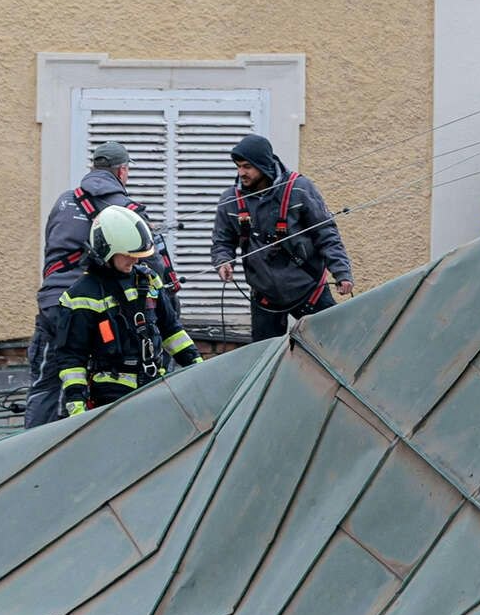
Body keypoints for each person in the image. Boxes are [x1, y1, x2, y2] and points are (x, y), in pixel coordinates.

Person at [26, 141, 178, 427]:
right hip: (99, 309)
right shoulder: (127, 211)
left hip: (52, 303)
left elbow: (52, 249)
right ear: (122, 171)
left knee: (48, 384)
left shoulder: (63, 201)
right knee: (108, 383)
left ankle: (32, 450)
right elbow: (153, 264)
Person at [47, 205, 203, 419]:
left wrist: (198, 366)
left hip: (155, 389)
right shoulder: (80, 297)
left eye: (139, 255)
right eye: (129, 255)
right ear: (106, 250)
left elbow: (171, 330)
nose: (136, 260)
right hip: (110, 401)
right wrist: (77, 407)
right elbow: (72, 358)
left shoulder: (148, 280)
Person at [210, 133, 354, 341]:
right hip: (265, 298)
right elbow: (222, 241)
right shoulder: (230, 200)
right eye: (238, 166)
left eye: (247, 167)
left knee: (335, 344)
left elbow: (326, 234)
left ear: (263, 164)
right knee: (264, 359)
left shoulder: (299, 189)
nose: (241, 173)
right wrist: (223, 261)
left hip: (310, 291)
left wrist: (342, 273)